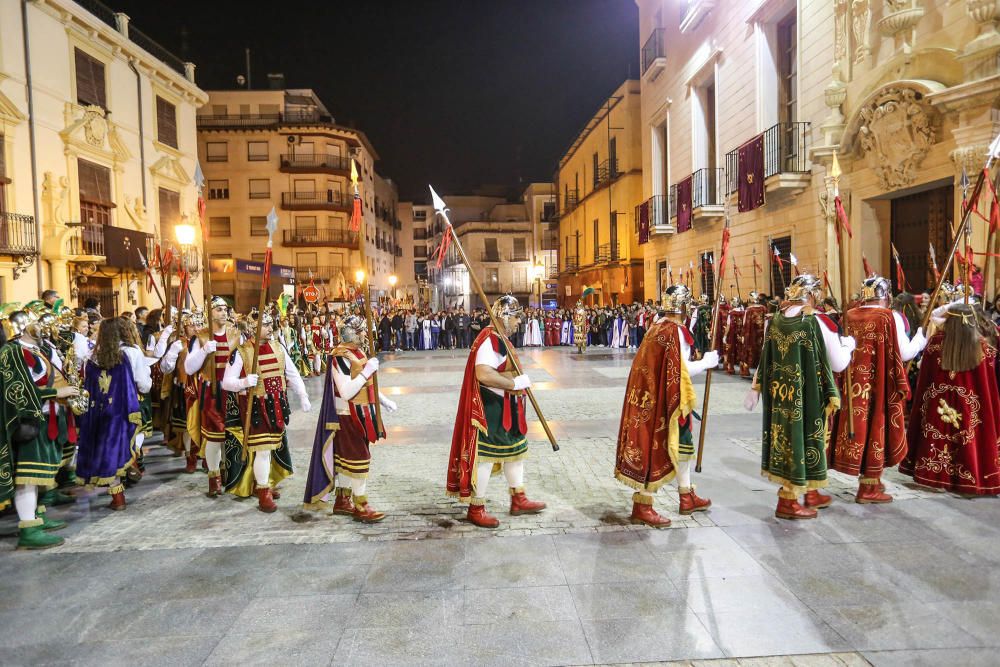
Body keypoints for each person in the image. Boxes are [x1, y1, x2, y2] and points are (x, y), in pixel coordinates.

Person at [746, 274, 855, 520]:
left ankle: (811, 492)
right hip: (809, 395)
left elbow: (766, 356)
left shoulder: (774, 320)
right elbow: (838, 364)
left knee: (785, 439)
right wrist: (849, 345)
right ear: (813, 295)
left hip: (780, 394)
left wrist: (756, 387)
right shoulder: (818, 322)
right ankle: (789, 500)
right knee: (804, 440)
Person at [614, 286, 719, 527]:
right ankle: (643, 504)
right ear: (683, 307)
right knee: (658, 446)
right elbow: (680, 370)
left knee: (682, 445)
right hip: (664, 401)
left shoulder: (656, 326)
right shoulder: (676, 331)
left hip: (652, 396)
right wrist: (705, 362)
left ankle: (686, 495)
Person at [447, 295, 545, 528]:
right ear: (504, 317)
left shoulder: (498, 338)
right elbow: (484, 374)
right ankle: (476, 507)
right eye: (516, 318)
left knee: (515, 449)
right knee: (486, 456)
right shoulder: (489, 340)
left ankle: (518, 497)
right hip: (491, 409)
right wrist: (514, 384)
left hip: (507, 408)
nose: (519, 322)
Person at [827, 276, 927, 503]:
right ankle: (869, 487)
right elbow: (904, 353)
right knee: (877, 428)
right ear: (888, 295)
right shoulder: (889, 317)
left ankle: (871, 482)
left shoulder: (849, 315)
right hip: (879, 386)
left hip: (853, 386)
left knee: (861, 428)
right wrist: (920, 340)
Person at [900, 302, 1000, 495]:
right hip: (970, 410)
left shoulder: (935, 343)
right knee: (968, 438)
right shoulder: (983, 349)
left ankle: (936, 476)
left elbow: (924, 380)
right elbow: (989, 390)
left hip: (937, 409)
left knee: (939, 437)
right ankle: (969, 477)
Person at [303, 315, 396, 521]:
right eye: (361, 330)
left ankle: (343, 500)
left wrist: (383, 400)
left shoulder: (358, 353)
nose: (365, 334)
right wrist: (367, 371)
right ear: (351, 332)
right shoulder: (340, 357)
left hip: (362, 413)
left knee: (347, 461)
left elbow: (368, 385)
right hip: (347, 414)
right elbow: (346, 391)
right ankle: (361, 504)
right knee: (358, 460)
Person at [0, 309, 80, 549]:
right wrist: (57, 392)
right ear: (24, 326)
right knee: (28, 477)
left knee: (40, 475)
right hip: (29, 421)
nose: (44, 327)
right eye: (37, 323)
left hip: (47, 417)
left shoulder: (38, 349)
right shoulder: (12, 352)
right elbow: (15, 393)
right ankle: (28, 529)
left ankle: (36, 515)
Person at [222, 308, 310, 512]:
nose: (272, 328)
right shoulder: (241, 351)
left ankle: (264, 482)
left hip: (277, 406)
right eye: (267, 324)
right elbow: (227, 382)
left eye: (272, 324)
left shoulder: (279, 348)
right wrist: (243, 382)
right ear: (254, 327)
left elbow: (293, 374)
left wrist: (303, 396)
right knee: (262, 450)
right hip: (254, 408)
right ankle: (263, 491)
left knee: (270, 448)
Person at [76, 317, 151, 511]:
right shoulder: (131, 352)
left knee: (106, 450)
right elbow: (144, 384)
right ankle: (129, 475)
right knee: (125, 446)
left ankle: (117, 495)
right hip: (124, 409)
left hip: (97, 410)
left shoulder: (91, 356)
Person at [184, 296, 240, 498]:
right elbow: (189, 367)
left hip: (233, 392)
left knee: (234, 436)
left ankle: (232, 473)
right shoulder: (201, 337)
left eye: (225, 309)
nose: (224, 313)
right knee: (215, 438)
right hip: (212, 392)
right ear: (210, 312)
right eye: (218, 309)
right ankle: (214, 477)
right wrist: (204, 352)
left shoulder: (236, 334)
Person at [160, 310, 205, 473]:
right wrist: (172, 359)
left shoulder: (207, 341)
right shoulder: (179, 344)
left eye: (199, 324)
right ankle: (190, 457)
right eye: (192, 325)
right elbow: (165, 367)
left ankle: (207, 457)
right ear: (184, 327)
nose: (196, 328)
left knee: (206, 424)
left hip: (204, 388)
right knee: (187, 426)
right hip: (185, 390)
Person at [740, 292, 768, 378]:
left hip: (751, 334)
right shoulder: (764, 308)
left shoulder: (749, 310)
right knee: (760, 351)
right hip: (761, 333)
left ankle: (746, 369)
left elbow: (745, 323)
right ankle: (760, 370)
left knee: (749, 350)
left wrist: (743, 334)